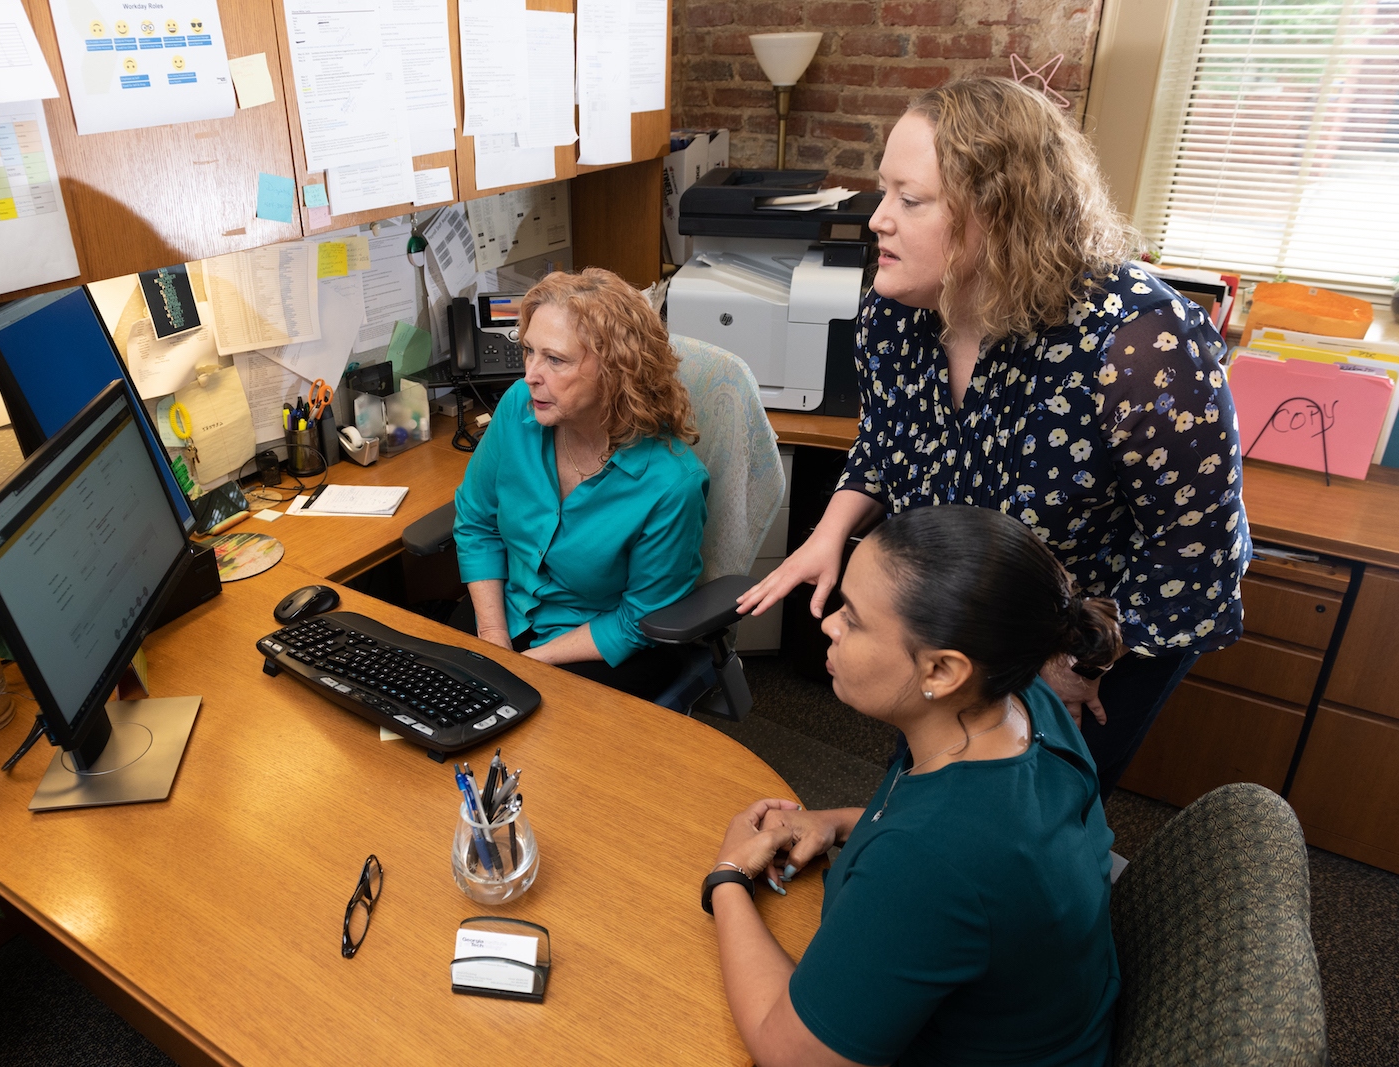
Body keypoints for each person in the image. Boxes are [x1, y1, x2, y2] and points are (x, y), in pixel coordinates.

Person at [739, 76, 1250, 798]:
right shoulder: (897, 314)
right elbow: (886, 449)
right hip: (966, 613)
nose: (878, 219)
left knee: (1032, 805)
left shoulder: (1142, 344)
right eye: (884, 192)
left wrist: (1082, 661)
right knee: (932, 775)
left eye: (909, 200)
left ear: (1002, 215)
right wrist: (828, 535)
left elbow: (1195, 559)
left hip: (1106, 625)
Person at [706, 506, 1122, 1067]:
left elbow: (795, 1055)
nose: (828, 623)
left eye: (852, 617)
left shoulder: (928, 862)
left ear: (942, 672)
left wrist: (728, 877)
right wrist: (836, 821)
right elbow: (982, 857)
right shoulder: (1025, 704)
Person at [452, 268, 708, 697]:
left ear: (615, 370)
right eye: (529, 351)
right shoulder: (519, 408)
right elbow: (477, 523)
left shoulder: (671, 484)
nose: (531, 373)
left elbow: (639, 619)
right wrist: (494, 637)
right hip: (507, 616)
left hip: (595, 645)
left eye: (555, 360)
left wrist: (527, 665)